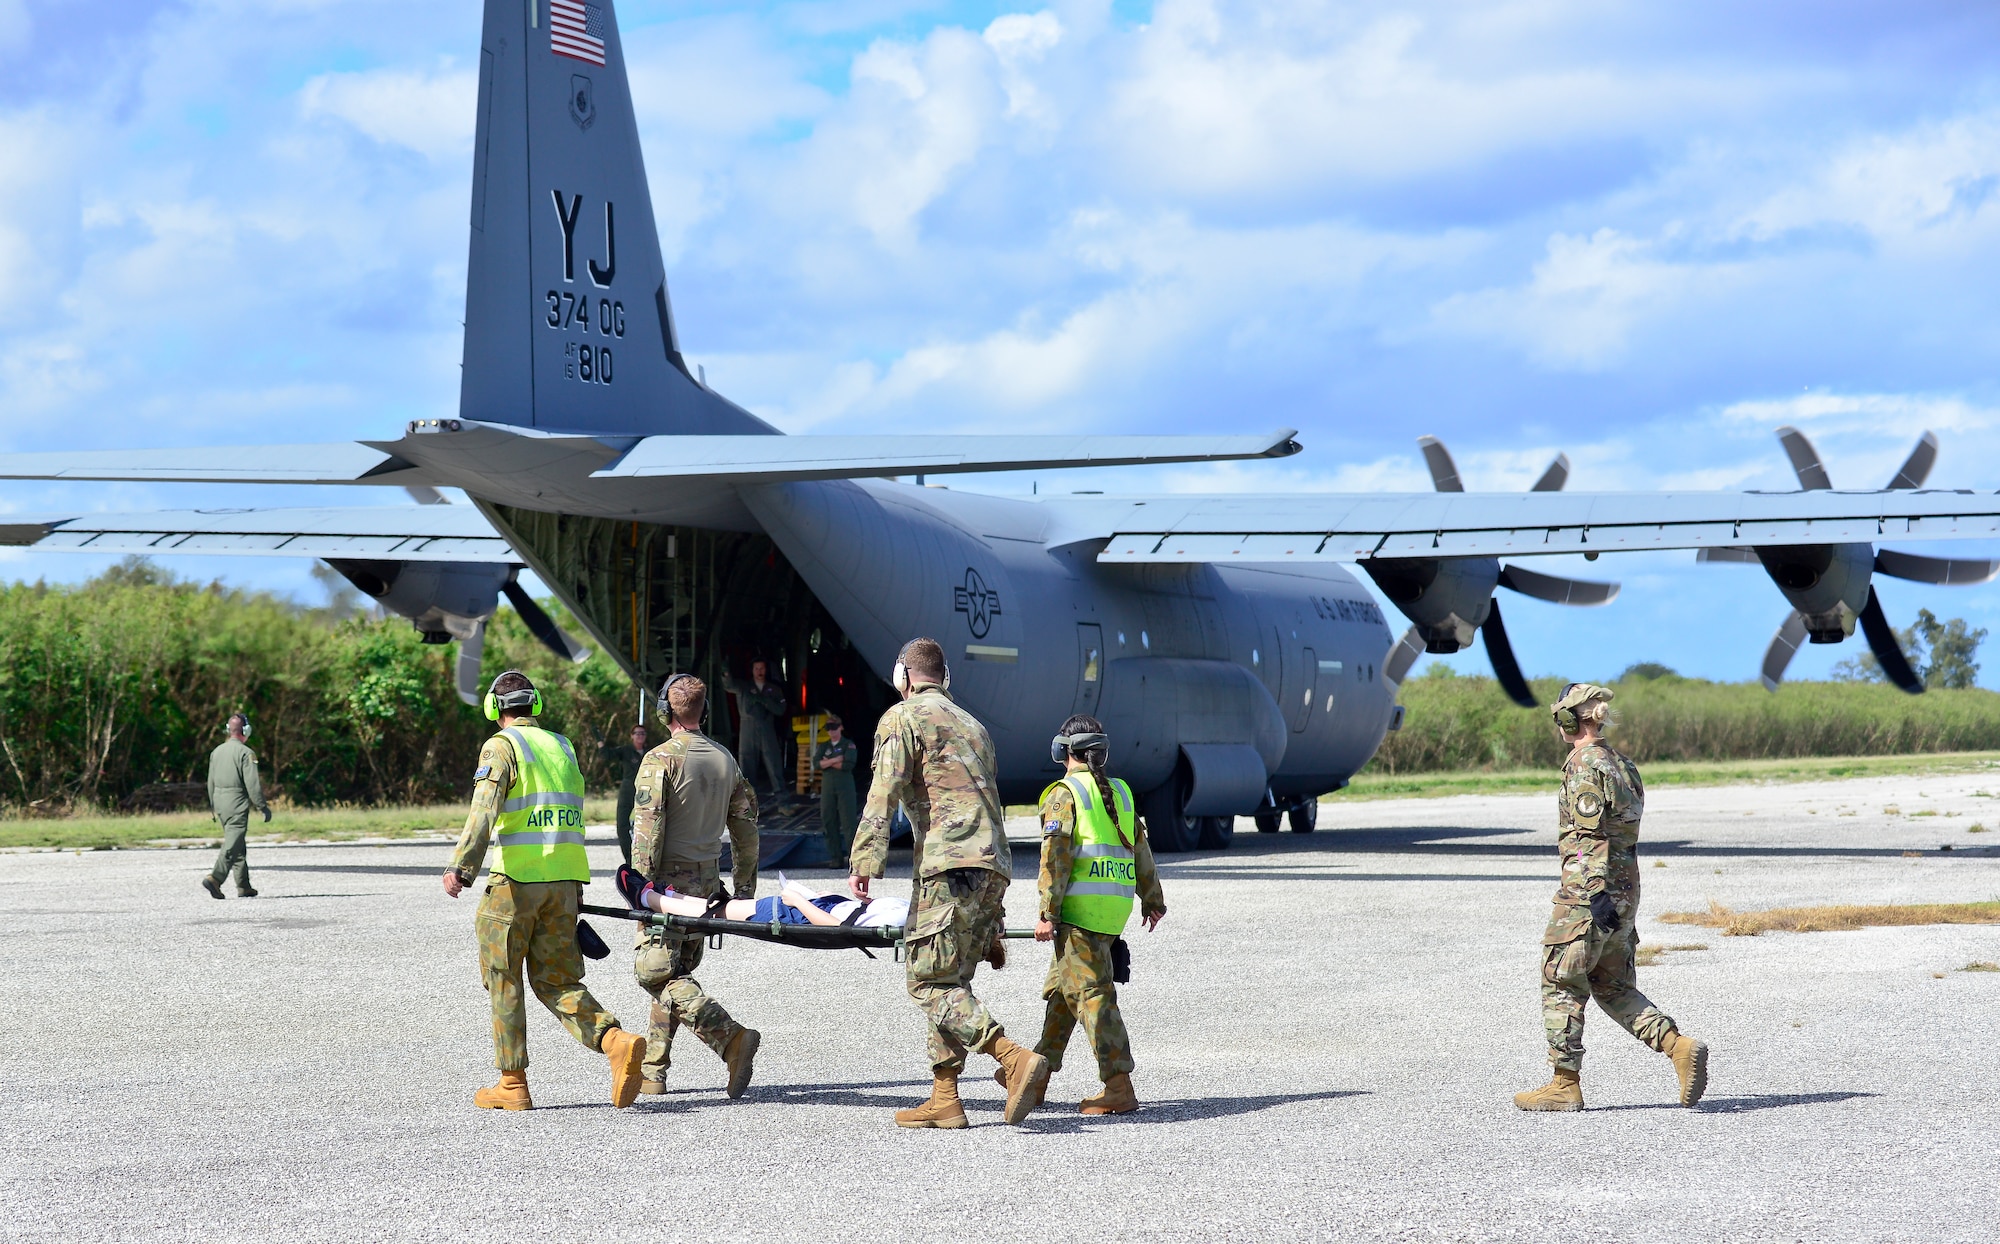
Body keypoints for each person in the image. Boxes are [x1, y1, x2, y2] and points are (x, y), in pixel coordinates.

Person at [850, 636, 1047, 1129]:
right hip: (993, 865)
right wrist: (995, 916)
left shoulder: (903, 718)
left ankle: (1011, 1056)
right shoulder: (975, 725)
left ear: (903, 676)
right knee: (952, 981)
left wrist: (865, 861)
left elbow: (884, 790)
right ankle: (945, 1097)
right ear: (946, 677)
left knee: (928, 981)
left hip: (947, 863)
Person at [440, 671, 646, 1112]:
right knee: (556, 979)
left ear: (495, 709)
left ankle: (512, 1085)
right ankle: (614, 1041)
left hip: (516, 883)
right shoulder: (563, 746)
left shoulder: (502, 746)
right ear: (535, 704)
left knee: (503, 977)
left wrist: (462, 867)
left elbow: (484, 810)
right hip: (565, 881)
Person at [1515, 683, 1709, 1112]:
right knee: (1610, 983)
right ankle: (1677, 1047)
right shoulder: (1623, 764)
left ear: (1571, 720)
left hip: (1591, 891)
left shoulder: (1583, 765)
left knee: (1559, 978)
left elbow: (1587, 836)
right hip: (1625, 891)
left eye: (1559, 717)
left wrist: (1592, 891)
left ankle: (1564, 1083)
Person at [1015, 714, 1166, 1116]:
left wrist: (1047, 913)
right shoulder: (1121, 792)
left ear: (1064, 751)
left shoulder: (1066, 794)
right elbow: (1139, 848)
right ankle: (1036, 1074)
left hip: (1078, 914)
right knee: (1064, 992)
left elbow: (1056, 859)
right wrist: (1152, 898)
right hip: (1111, 912)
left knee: (1093, 997)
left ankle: (1118, 1087)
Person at [629, 673, 762, 1099]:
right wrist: (743, 891)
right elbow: (746, 830)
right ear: (703, 712)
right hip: (706, 885)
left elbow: (647, 830)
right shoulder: (726, 760)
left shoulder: (660, 759)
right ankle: (653, 1072)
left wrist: (640, 887)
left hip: (667, 886)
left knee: (652, 973)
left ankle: (730, 1038)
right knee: (675, 974)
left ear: (665, 711)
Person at [618, 868, 911, 929]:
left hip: (798, 913)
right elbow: (859, 916)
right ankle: (668, 895)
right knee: (725, 908)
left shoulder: (903, 917)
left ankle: (649, 899)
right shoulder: (910, 910)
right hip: (821, 905)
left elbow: (837, 929)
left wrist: (799, 901)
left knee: (721, 913)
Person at [201, 713, 270, 900]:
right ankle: (216, 878)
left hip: (220, 802)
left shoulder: (216, 752)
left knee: (237, 842)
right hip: (236, 802)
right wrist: (262, 806)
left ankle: (244, 885)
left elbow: (210, 782)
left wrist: (213, 806)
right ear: (246, 730)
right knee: (232, 843)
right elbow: (253, 784)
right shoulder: (246, 753)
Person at [722, 658, 789, 804]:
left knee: (774, 765)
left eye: (762, 668)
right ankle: (748, 805)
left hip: (766, 728)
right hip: (747, 729)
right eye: (757, 668)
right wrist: (726, 673)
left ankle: (783, 802)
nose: (760, 671)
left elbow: (781, 709)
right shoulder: (744, 687)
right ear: (752, 670)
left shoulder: (773, 689)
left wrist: (764, 700)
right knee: (747, 766)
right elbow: (729, 685)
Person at [599, 723, 649, 865]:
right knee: (622, 825)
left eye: (642, 733)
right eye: (637, 733)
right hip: (628, 789)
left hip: (646, 790)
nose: (640, 736)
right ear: (631, 736)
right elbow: (606, 755)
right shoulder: (626, 750)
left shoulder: (650, 752)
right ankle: (629, 859)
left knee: (647, 825)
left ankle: (646, 859)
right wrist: (600, 742)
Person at [813, 714, 859, 865]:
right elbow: (817, 763)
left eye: (834, 727)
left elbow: (847, 765)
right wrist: (836, 759)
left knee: (848, 823)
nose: (831, 731)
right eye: (828, 728)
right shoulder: (824, 746)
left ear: (841, 727)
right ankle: (835, 857)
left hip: (845, 786)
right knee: (828, 820)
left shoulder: (848, 744)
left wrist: (828, 762)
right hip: (827, 787)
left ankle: (854, 860)